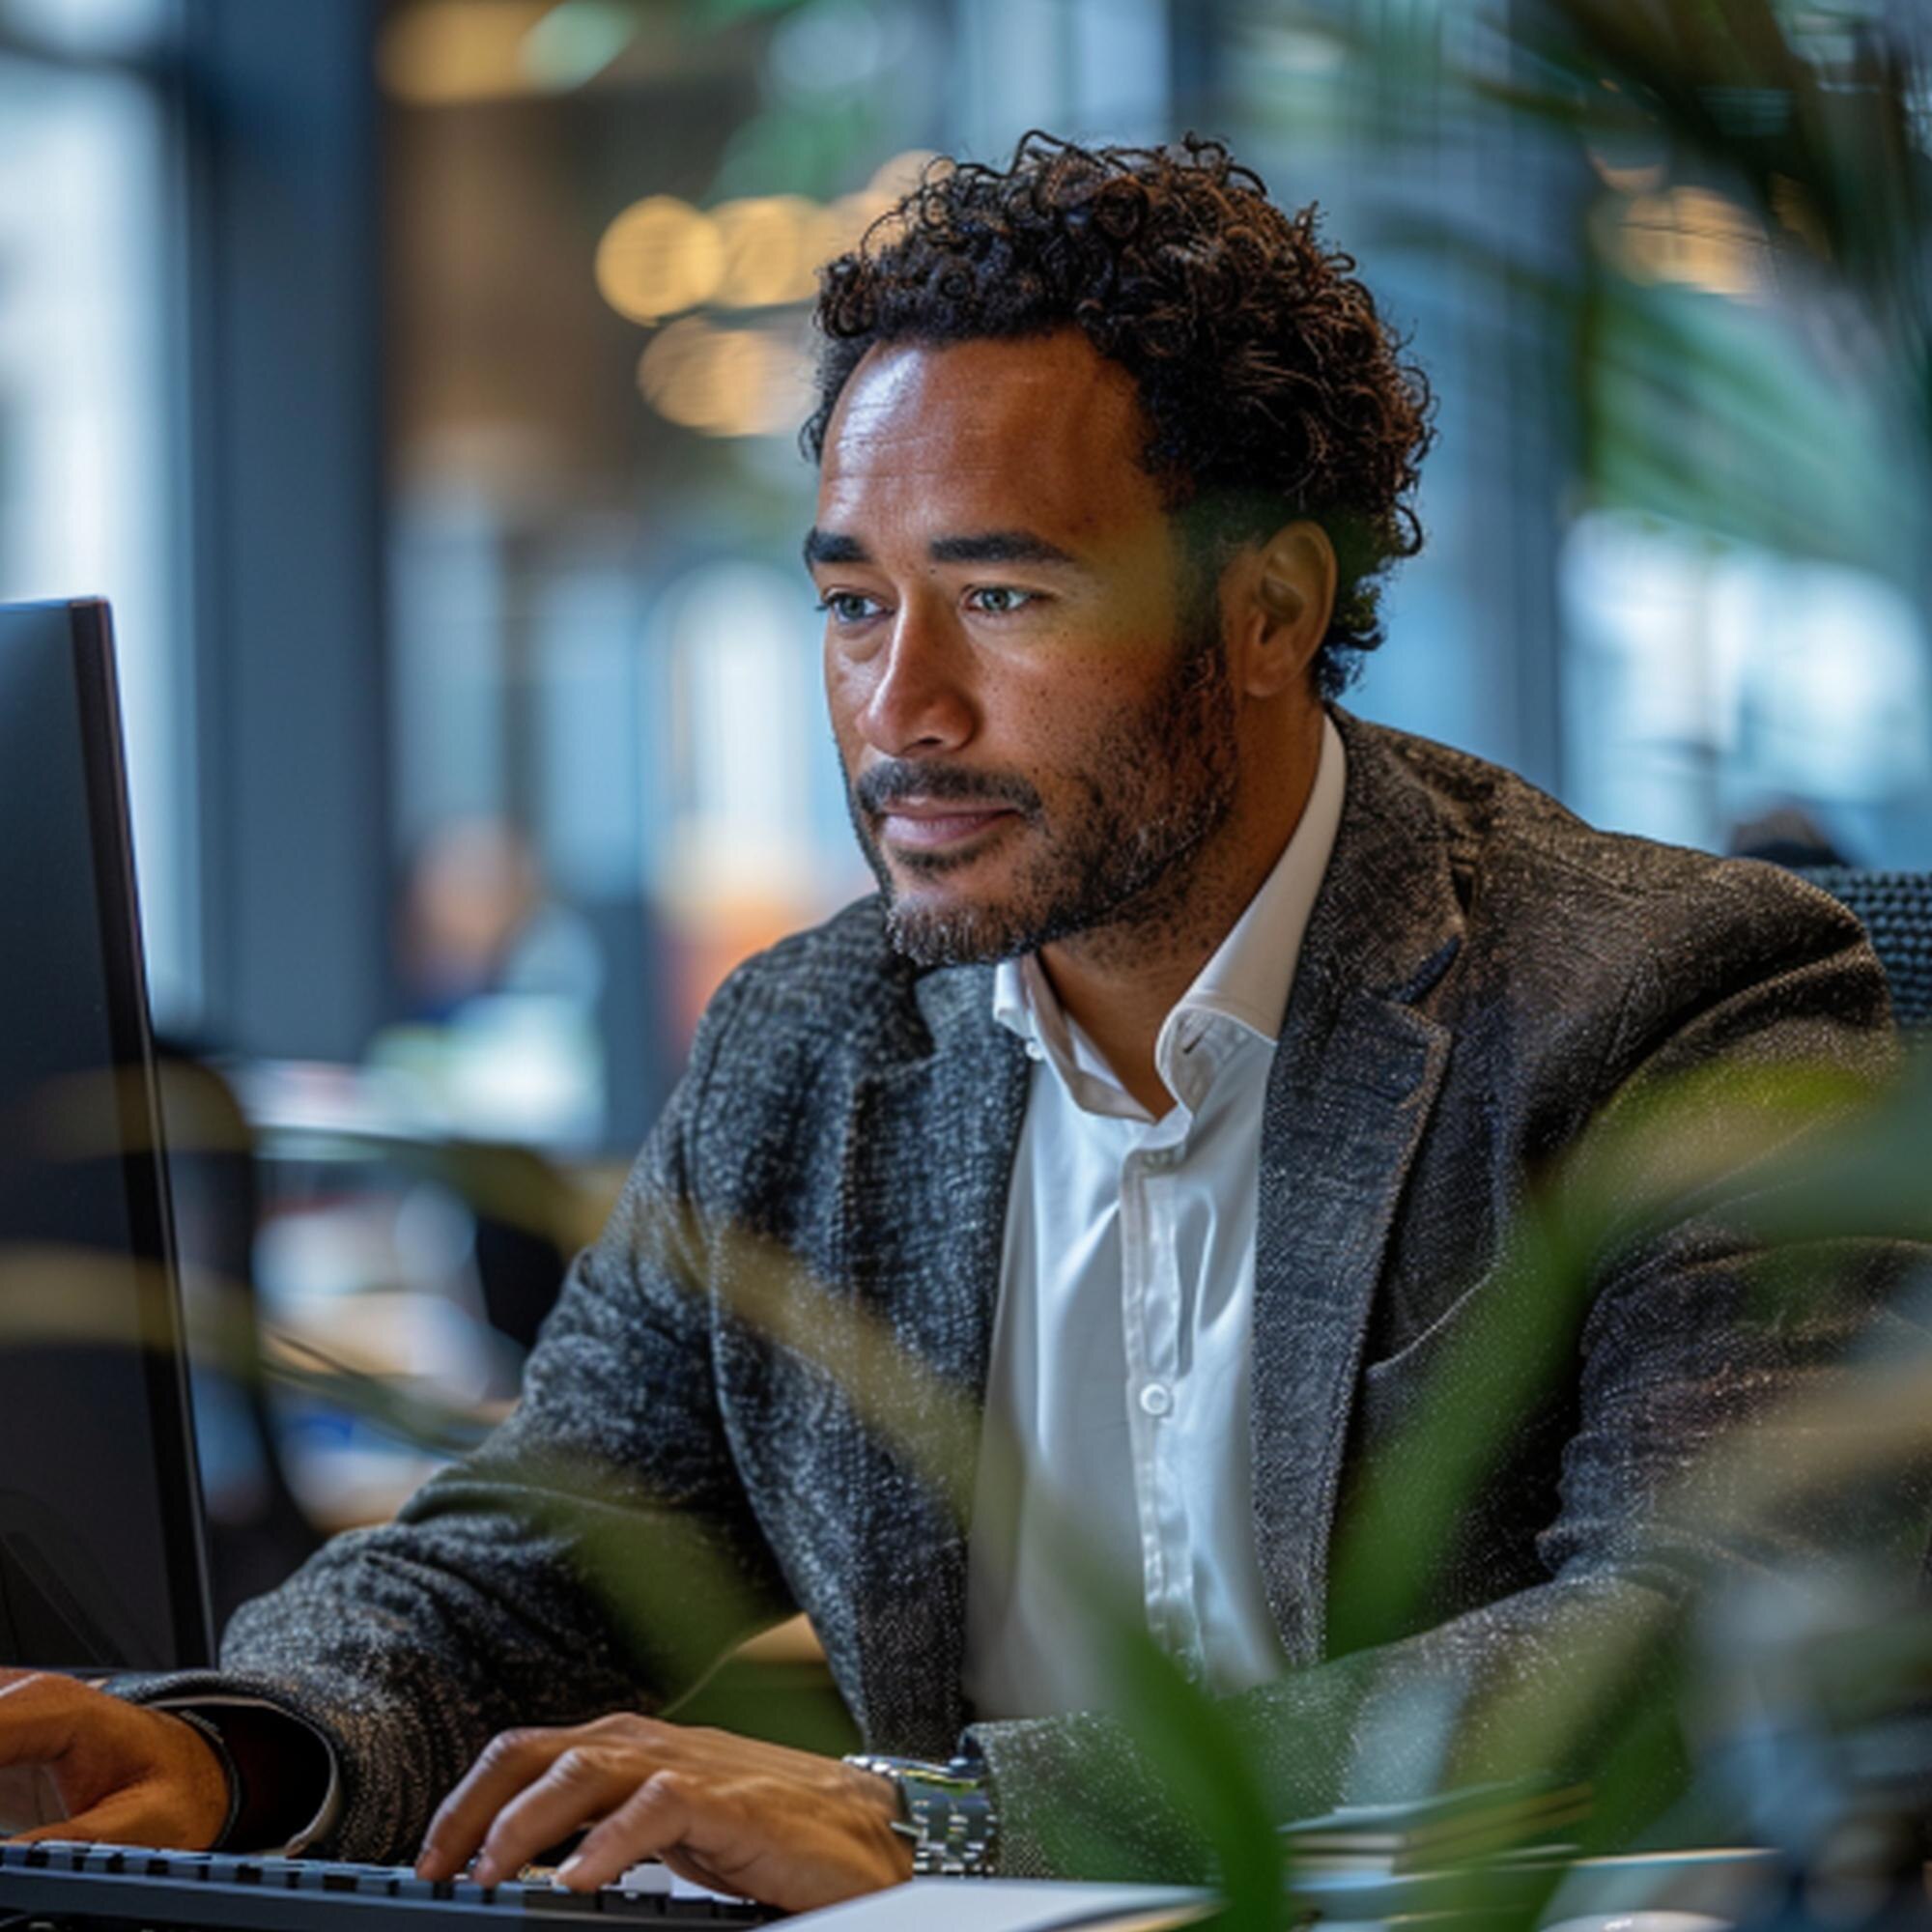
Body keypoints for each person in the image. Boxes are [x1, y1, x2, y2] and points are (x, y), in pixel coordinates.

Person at [0, 133, 1909, 1911]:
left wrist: (940, 1814)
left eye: (1000, 595)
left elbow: (1691, 1630)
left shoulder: (1666, 996)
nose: (900, 708)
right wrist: (227, 1748)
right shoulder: (812, 1045)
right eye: (854, 604)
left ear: (1266, 612)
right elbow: (540, 1551)